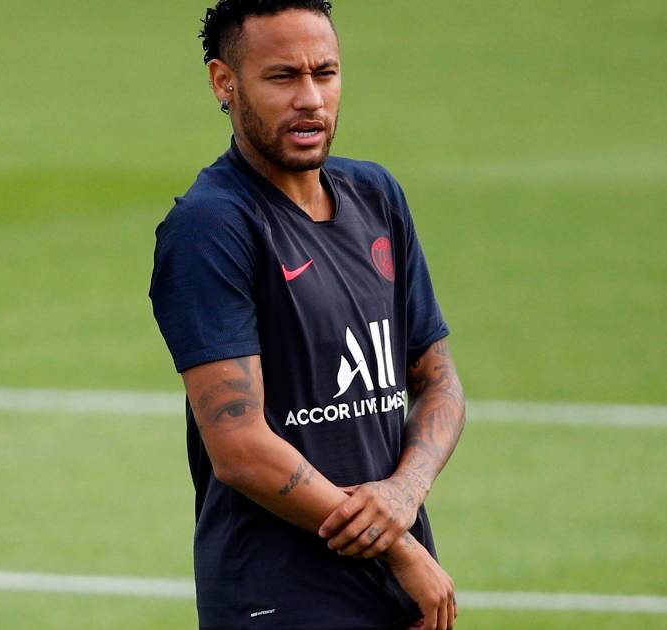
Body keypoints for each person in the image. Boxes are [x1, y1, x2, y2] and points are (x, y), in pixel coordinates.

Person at [148, 2, 466, 628]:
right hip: (279, 596)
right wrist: (400, 547)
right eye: (283, 77)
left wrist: (405, 492)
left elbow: (439, 382)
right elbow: (238, 445)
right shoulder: (212, 226)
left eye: (325, 73)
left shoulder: (376, 196)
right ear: (224, 82)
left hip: (393, 586)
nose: (311, 99)